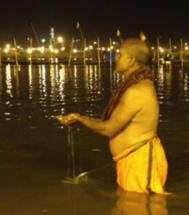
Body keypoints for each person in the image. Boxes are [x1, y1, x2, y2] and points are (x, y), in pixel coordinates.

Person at [57, 38, 169, 195]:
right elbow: (110, 122)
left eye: (120, 54)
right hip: (133, 161)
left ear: (130, 60)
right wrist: (80, 119)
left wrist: (80, 119)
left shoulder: (137, 92)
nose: (116, 58)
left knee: (139, 211)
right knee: (128, 212)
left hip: (139, 165)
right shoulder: (138, 85)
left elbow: (108, 128)